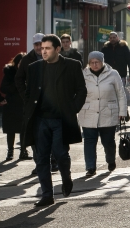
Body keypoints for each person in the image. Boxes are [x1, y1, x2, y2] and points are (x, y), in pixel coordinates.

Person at [22, 35, 87, 207]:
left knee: (60, 154)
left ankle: (66, 177)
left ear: (58, 49)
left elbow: (81, 90)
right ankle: (47, 195)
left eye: (47, 48)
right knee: (41, 158)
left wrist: (72, 109)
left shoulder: (72, 65)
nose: (43, 51)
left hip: (61, 119)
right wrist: (29, 108)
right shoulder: (34, 67)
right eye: (42, 48)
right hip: (40, 120)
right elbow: (29, 91)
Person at [79, 51, 126, 177]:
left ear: (102, 62)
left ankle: (110, 160)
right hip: (88, 112)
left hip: (108, 112)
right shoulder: (83, 75)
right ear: (88, 63)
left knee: (108, 141)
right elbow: (77, 93)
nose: (95, 65)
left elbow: (121, 94)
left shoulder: (113, 74)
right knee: (89, 141)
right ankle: (90, 167)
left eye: (97, 62)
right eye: (92, 62)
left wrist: (122, 111)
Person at [1, 53, 27, 161]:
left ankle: (23, 151)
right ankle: (10, 151)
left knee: (23, 129)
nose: (21, 65)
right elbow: (3, 88)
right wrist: (17, 84)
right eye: (19, 62)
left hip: (23, 104)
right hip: (11, 104)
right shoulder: (9, 72)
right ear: (16, 62)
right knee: (11, 129)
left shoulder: (28, 72)